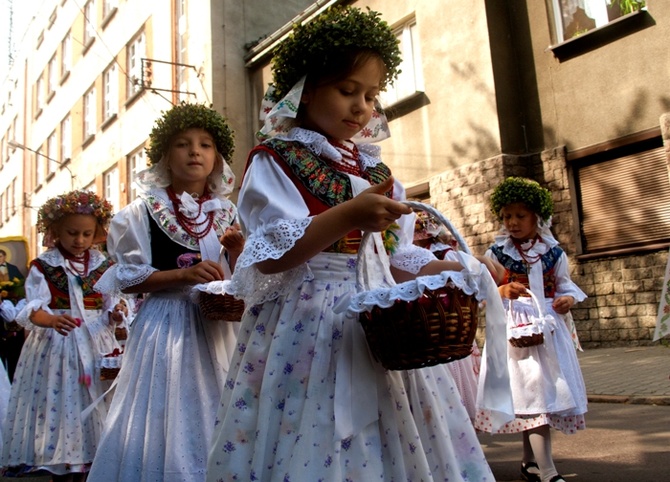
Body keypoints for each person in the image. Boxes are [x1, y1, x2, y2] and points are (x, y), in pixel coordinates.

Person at [206, 6, 510, 481]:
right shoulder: (276, 159)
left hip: (381, 326)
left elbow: (395, 258)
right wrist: (348, 214)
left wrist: (449, 269)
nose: (362, 106)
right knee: (317, 435)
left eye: (371, 95)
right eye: (347, 90)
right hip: (309, 326)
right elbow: (272, 257)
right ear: (304, 94)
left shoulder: (377, 172)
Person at [88, 103, 242, 482]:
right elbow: (128, 278)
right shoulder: (141, 212)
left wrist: (236, 250)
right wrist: (182, 275)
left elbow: (244, 276)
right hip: (168, 326)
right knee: (167, 411)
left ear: (217, 158)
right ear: (164, 157)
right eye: (183, 144)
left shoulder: (228, 212)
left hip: (219, 327)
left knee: (221, 405)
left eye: (206, 145)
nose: (195, 152)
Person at [0, 190, 120, 481]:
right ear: (55, 231)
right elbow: (31, 310)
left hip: (95, 345)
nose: (79, 240)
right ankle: (64, 464)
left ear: (97, 234)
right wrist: (51, 320)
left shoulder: (103, 265)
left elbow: (111, 303)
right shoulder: (44, 266)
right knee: (64, 406)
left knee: (97, 406)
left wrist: (116, 314)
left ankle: (93, 462)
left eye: (86, 234)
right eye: (72, 233)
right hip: (58, 348)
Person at [475, 177, 588, 482]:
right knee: (534, 396)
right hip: (515, 331)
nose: (512, 222)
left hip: (548, 330)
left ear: (538, 217)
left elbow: (565, 284)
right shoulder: (497, 254)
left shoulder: (554, 253)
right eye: (507, 216)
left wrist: (567, 299)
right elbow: (481, 290)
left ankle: (530, 464)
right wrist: (500, 292)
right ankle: (548, 472)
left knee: (539, 398)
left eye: (520, 216)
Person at [412, 208, 483, 422]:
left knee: (452, 379)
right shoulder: (412, 256)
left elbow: (460, 285)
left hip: (446, 321)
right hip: (426, 323)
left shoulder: (445, 254)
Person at [0, 249, 26, 382]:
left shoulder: (12, 269)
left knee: (14, 358)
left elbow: (20, 283)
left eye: (1, 256)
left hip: (12, 303)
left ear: (5, 257)